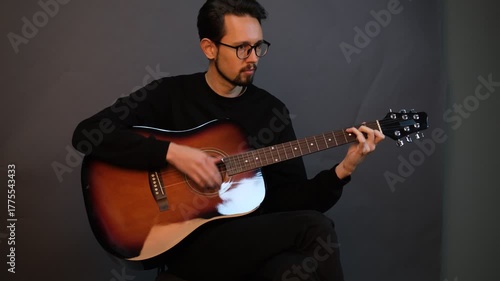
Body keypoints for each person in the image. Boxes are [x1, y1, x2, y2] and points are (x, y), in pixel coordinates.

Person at [72, 0, 385, 280]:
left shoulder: (271, 111)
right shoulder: (170, 95)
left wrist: (343, 169)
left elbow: (291, 202)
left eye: (258, 46)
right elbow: (87, 133)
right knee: (316, 227)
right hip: (186, 244)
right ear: (210, 48)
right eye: (241, 48)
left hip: (247, 242)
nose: (253, 58)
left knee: (289, 268)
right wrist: (172, 154)